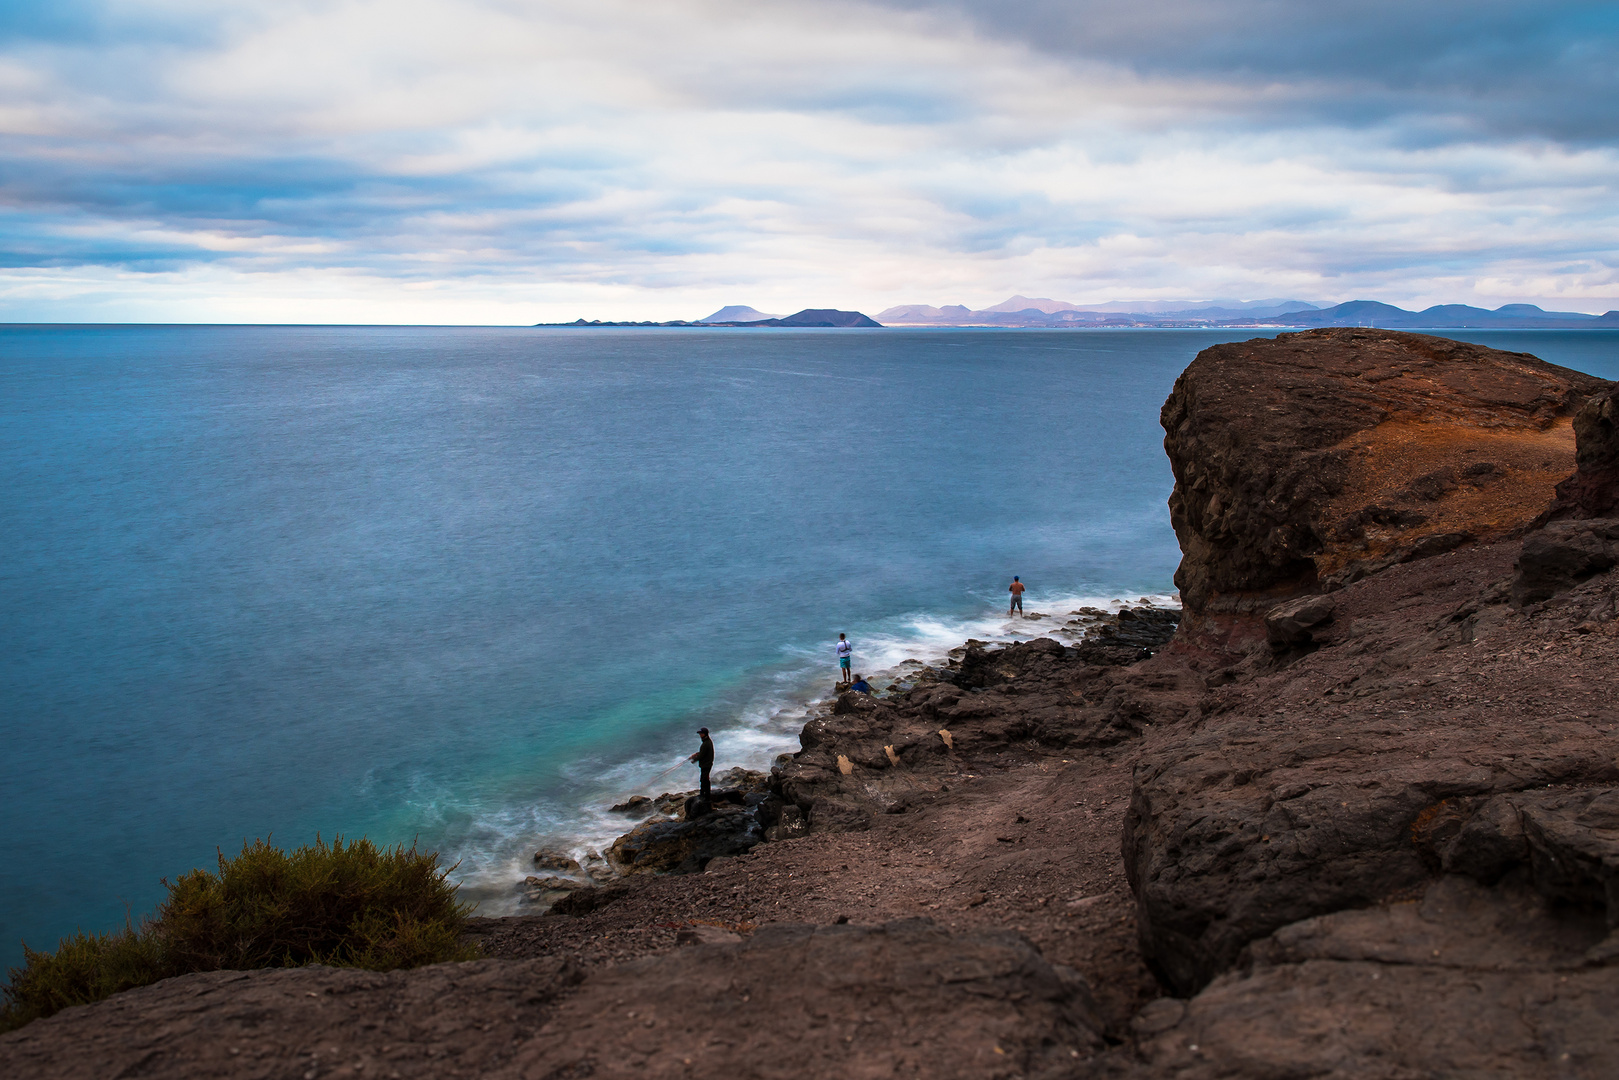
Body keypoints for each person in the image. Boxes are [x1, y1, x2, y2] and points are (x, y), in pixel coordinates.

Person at [689, 727, 714, 799]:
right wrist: (696, 754)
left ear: (704, 734)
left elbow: (702, 755)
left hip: (706, 764)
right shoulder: (707, 742)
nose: (700, 735)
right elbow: (703, 753)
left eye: (701, 733)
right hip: (706, 764)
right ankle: (704, 794)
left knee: (704, 780)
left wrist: (694, 759)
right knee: (704, 779)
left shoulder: (706, 743)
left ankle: (705, 795)